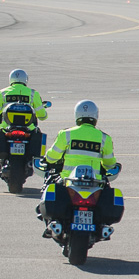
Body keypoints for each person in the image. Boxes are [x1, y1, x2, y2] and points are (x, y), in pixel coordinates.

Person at [39, 100, 120, 238]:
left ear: (77, 115)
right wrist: (111, 167)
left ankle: (52, 223)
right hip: (94, 182)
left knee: (48, 188)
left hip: (67, 180)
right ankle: (102, 226)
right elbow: (109, 163)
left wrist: (47, 160)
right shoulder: (104, 138)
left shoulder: (66, 134)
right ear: (96, 116)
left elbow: (53, 156)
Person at [2, 69, 47, 161]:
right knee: (38, 134)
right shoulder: (33, 93)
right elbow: (42, 116)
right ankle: (37, 160)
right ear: (26, 79)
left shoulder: (2, 93)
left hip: (6, 128)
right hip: (29, 128)